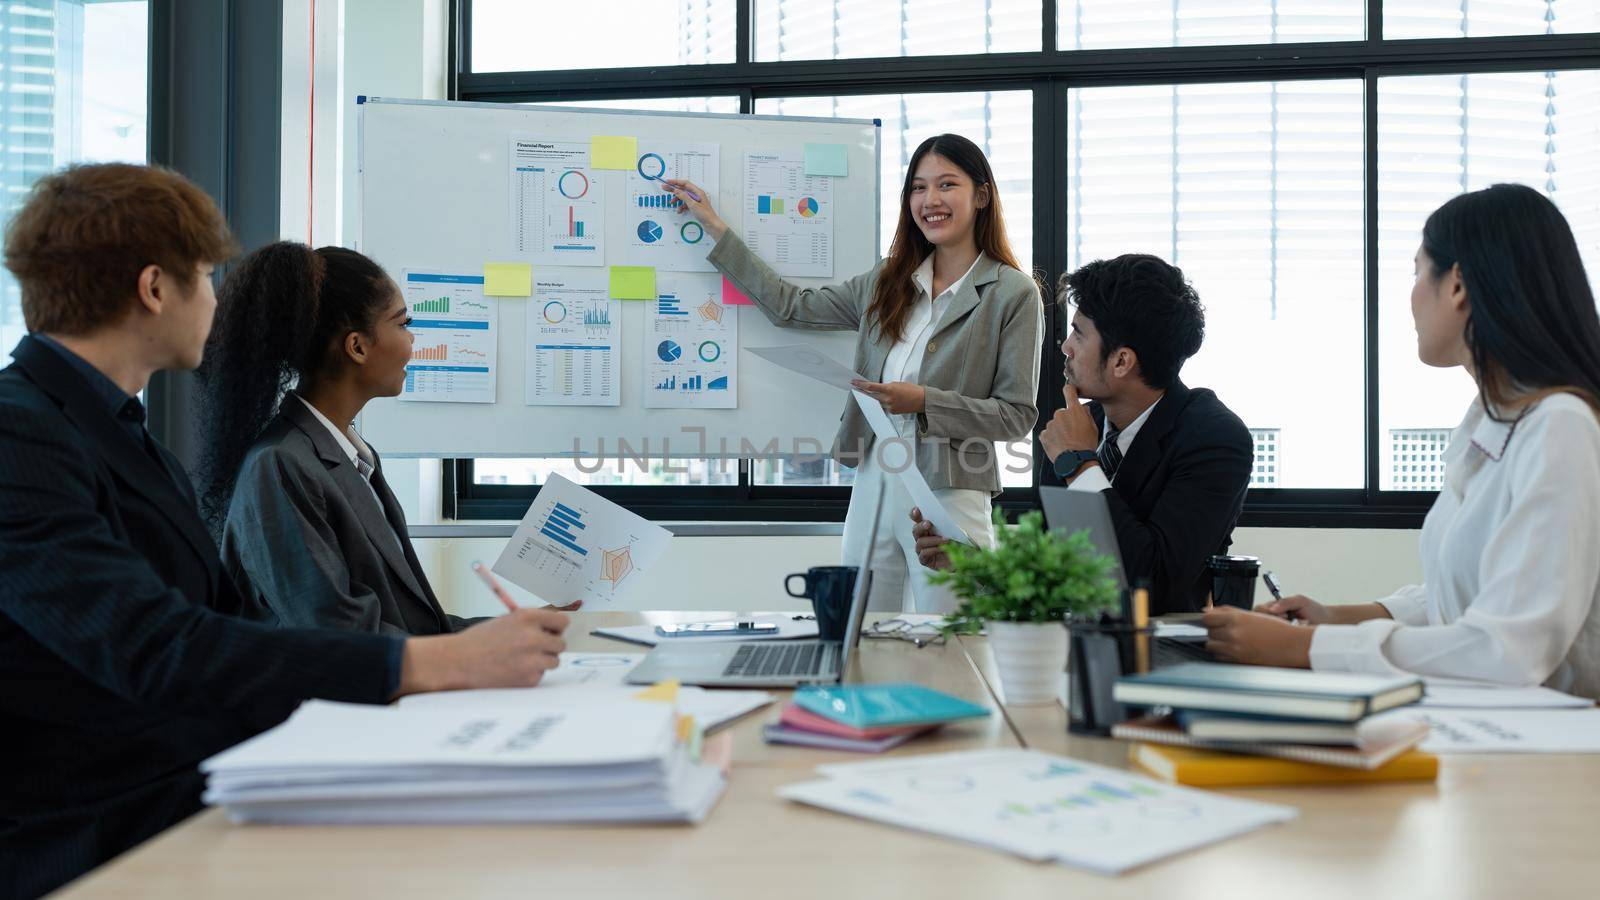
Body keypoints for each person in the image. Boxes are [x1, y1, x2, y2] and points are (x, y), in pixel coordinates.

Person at [0, 163, 569, 899]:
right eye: (205, 276)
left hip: (191, 788)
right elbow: (155, 647)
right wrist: (435, 665)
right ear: (154, 289)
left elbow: (230, 625)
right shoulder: (19, 433)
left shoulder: (127, 437)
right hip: (99, 832)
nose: (215, 299)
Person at [1204, 184, 1600, 699]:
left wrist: (1306, 648)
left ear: (1456, 284)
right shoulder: (1490, 420)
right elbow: (1465, 595)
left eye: (1417, 272)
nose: (1411, 293)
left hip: (1546, 754)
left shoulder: (1560, 426)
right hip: (1486, 723)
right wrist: (1342, 617)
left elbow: (1505, 648)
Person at [662, 134, 1042, 614]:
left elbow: (1016, 416)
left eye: (948, 185)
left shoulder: (1012, 293)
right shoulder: (889, 280)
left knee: (954, 633)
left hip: (949, 486)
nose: (931, 201)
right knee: (860, 626)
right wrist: (716, 228)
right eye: (919, 188)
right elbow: (791, 308)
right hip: (873, 477)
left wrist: (923, 400)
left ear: (982, 196)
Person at [193, 242, 575, 635]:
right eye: (402, 324)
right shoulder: (280, 465)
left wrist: (521, 625)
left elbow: (416, 628)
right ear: (357, 346)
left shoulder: (350, 455)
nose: (412, 342)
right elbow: (339, 636)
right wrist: (491, 646)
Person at [912, 254, 1252, 614]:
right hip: (1069, 650)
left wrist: (1080, 466)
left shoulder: (1214, 438)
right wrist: (973, 568)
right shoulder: (1074, 428)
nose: (1065, 346)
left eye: (1079, 333)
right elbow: (1053, 581)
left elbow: (1152, 585)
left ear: (1121, 361)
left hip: (1160, 654)